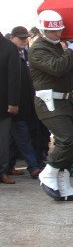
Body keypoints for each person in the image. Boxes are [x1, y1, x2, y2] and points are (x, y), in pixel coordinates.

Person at [29, 10, 73, 200]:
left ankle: (64, 188)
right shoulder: (38, 48)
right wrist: (72, 51)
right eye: (52, 31)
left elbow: (65, 72)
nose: (57, 34)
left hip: (62, 101)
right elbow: (57, 68)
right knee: (67, 139)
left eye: (59, 31)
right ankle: (48, 173)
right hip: (49, 103)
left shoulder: (55, 46)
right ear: (42, 30)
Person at [7, 26, 41, 179]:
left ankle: (9, 165)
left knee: (16, 138)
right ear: (12, 38)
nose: (23, 40)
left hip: (29, 103)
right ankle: (33, 166)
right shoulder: (8, 55)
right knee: (23, 136)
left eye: (25, 38)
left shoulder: (28, 55)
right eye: (20, 38)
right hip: (14, 104)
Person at [0, 30, 21, 184]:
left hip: (3, 104)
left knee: (3, 141)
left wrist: (13, 102)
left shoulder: (9, 48)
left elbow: (14, 77)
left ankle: (2, 171)